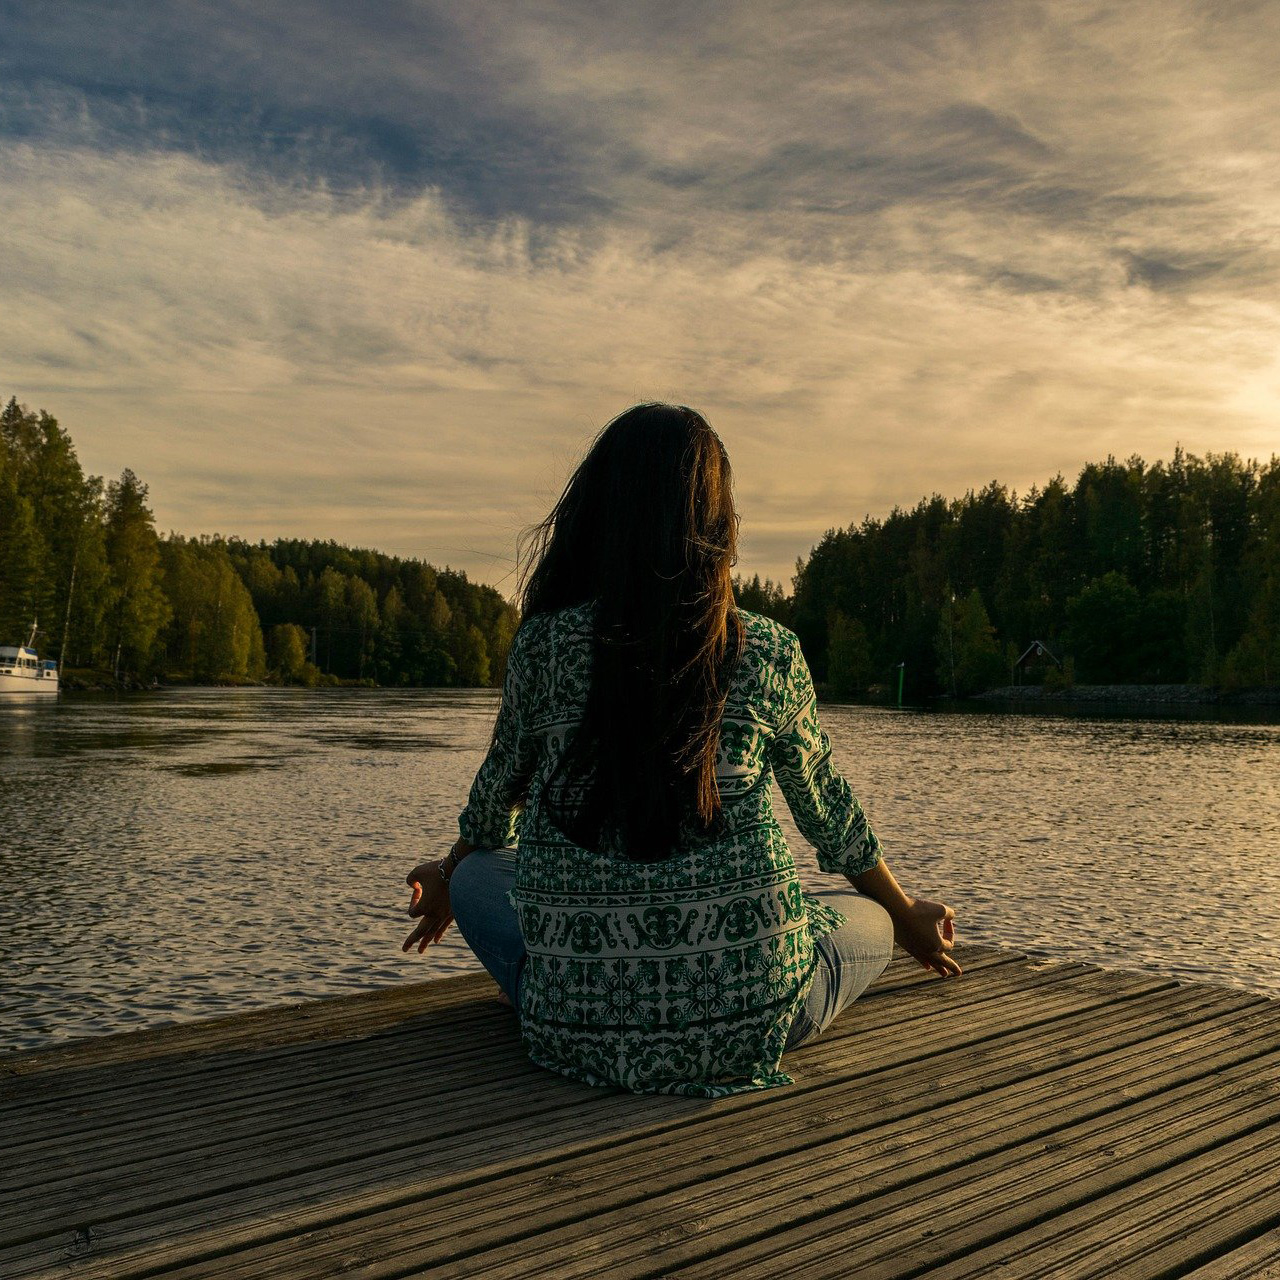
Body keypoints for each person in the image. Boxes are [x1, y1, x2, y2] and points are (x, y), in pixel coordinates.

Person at [403, 403, 959, 1098]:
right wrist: (907, 917)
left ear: (598, 513)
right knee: (869, 917)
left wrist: (451, 873)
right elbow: (831, 820)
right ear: (717, 524)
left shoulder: (544, 646)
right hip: (751, 1021)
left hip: (573, 1030)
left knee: (484, 872)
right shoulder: (769, 651)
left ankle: (571, 990)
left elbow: (492, 808)